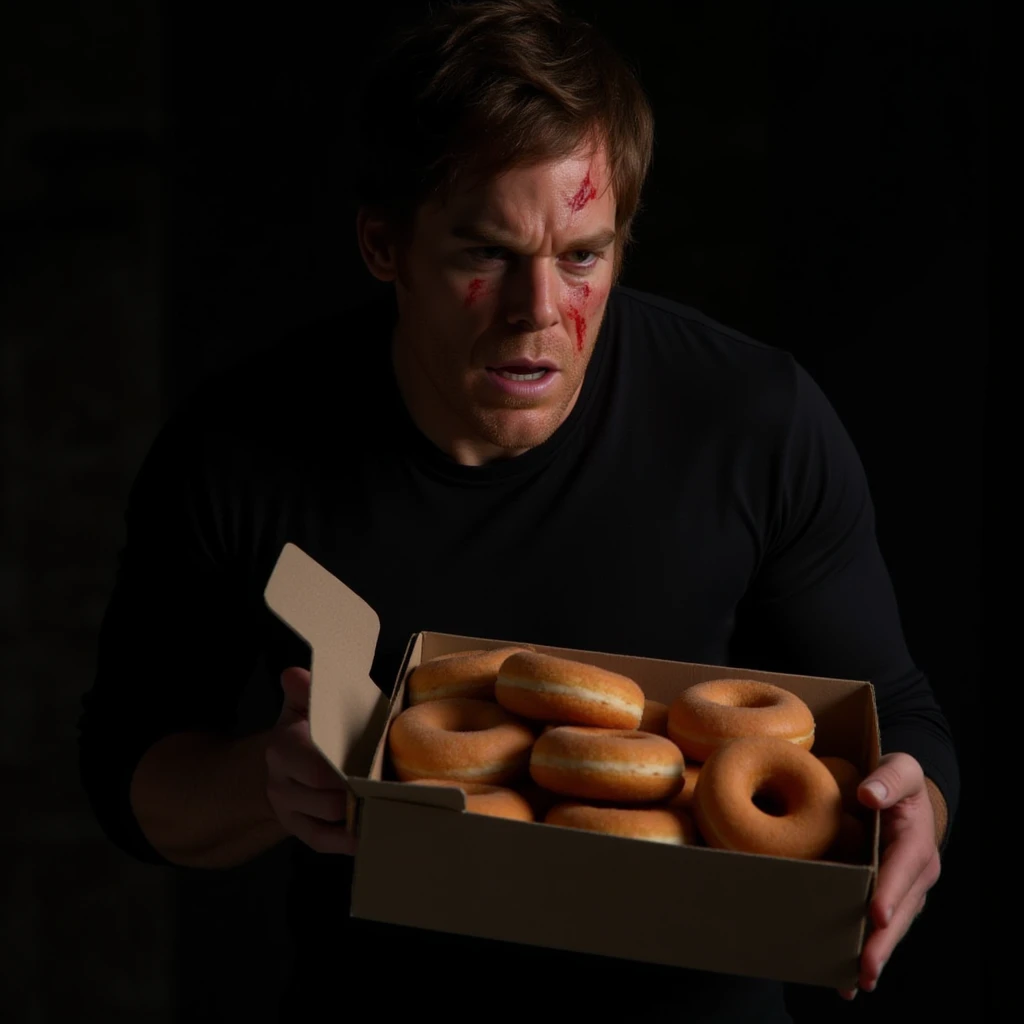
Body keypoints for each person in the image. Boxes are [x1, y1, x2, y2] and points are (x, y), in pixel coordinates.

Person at [77, 1, 958, 1021]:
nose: (538, 308)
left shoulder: (753, 421)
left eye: (582, 254)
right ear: (382, 243)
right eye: (486, 254)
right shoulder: (240, 448)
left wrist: (915, 814)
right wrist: (261, 782)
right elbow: (126, 776)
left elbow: (903, 716)